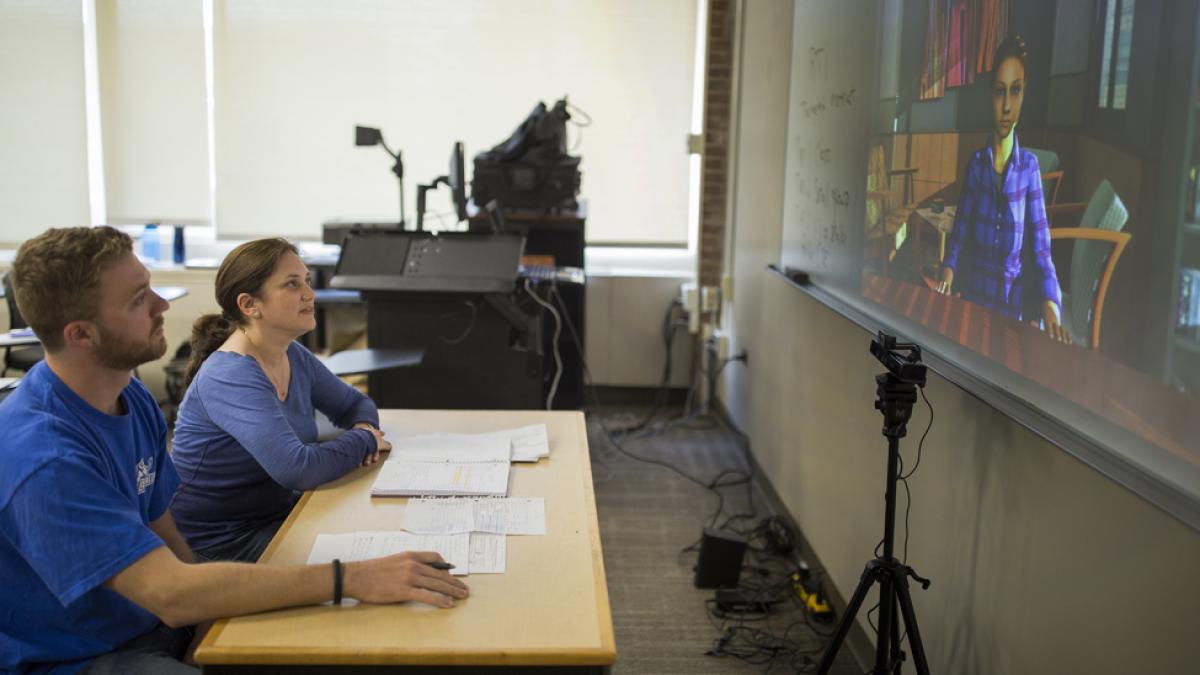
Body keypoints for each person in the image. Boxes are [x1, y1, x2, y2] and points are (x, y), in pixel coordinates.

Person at [0, 227, 467, 674]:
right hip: (79, 655)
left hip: (158, 618)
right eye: (139, 300)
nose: (164, 305)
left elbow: (168, 532)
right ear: (81, 334)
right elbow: (171, 593)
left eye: (152, 288)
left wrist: (209, 623)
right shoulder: (45, 458)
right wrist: (353, 579)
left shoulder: (130, 396)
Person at [170, 238, 389, 563]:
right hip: (221, 545)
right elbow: (297, 469)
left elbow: (354, 405)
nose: (309, 294)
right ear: (249, 305)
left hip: (277, 517)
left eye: (307, 282)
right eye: (292, 284)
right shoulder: (230, 375)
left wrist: (364, 427)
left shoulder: (291, 354)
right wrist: (364, 441)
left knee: (376, 535)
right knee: (367, 560)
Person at [936, 35, 1068, 343]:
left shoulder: (1030, 169)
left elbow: (1041, 252)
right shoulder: (976, 166)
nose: (1007, 106)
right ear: (990, 97)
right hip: (972, 306)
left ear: (1024, 95)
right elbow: (958, 239)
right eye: (999, 92)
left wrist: (1051, 307)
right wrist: (946, 274)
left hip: (1012, 316)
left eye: (1015, 91)